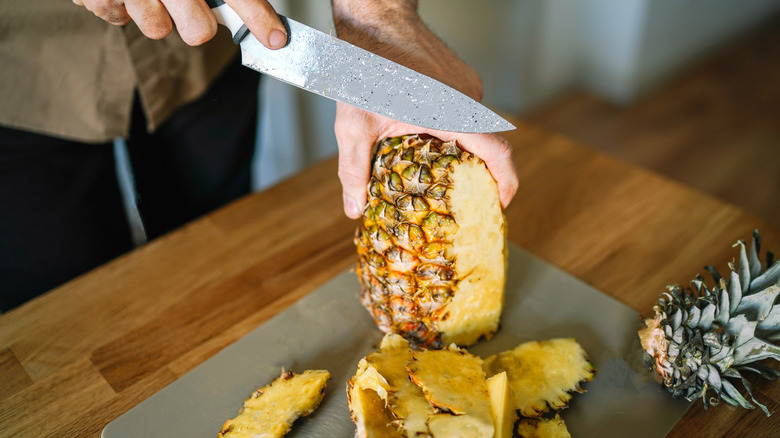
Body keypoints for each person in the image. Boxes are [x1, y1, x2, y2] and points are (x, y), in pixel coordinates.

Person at [0, 0, 518, 311]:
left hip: (210, 40)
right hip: (22, 70)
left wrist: (376, 16)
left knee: (217, 260)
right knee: (62, 305)